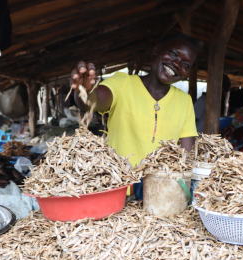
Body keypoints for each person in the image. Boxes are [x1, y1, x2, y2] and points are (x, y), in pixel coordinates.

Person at [71, 33, 199, 168]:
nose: (177, 64)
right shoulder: (123, 83)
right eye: (173, 53)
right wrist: (83, 91)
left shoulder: (185, 101)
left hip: (161, 186)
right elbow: (92, 103)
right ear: (157, 50)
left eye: (185, 64)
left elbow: (185, 156)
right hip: (120, 185)